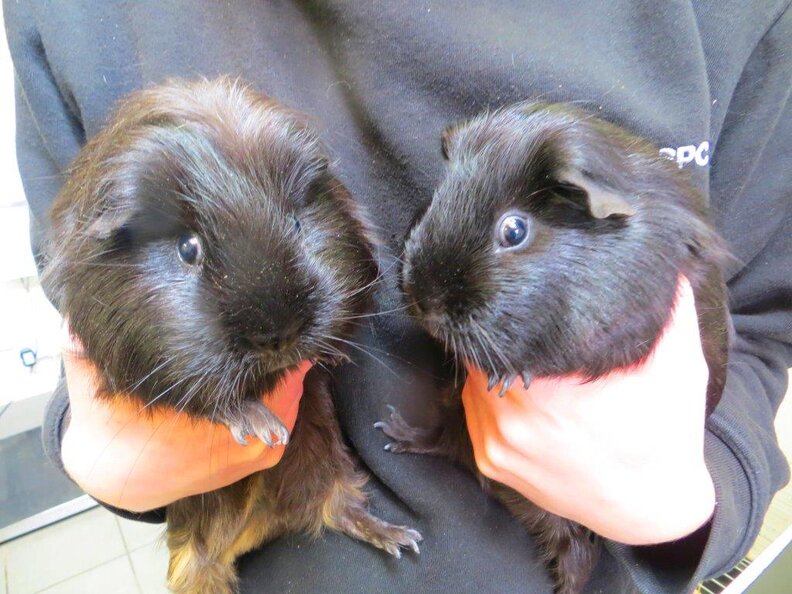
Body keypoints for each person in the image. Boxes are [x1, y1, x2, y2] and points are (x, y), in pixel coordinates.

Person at [6, 1, 791, 592]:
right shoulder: (69, 15)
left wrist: (683, 509)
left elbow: (757, 319)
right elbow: (84, 300)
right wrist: (101, 456)